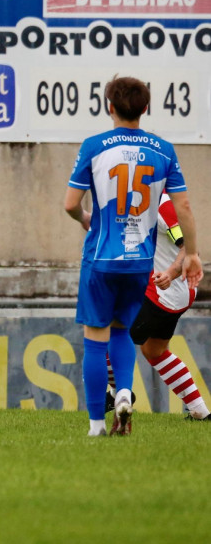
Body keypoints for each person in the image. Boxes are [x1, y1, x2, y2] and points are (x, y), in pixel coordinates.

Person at [64, 76, 202, 437]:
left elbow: (70, 204)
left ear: (109, 106)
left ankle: (97, 424)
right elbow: (183, 205)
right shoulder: (163, 151)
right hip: (140, 264)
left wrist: (85, 219)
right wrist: (192, 255)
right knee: (128, 335)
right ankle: (124, 393)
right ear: (146, 107)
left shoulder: (95, 146)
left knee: (96, 337)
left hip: (103, 257)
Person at [103, 192, 210, 421]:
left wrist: (170, 274)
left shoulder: (163, 206)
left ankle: (119, 394)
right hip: (169, 293)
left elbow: (190, 250)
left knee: (107, 337)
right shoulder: (129, 203)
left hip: (164, 292)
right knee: (154, 351)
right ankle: (200, 411)